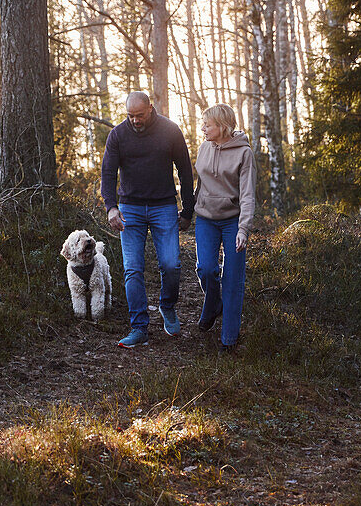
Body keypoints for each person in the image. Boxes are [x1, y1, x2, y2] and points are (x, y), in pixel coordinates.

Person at [101, 91, 194, 348]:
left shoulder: (170, 131)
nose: (134, 121)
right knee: (133, 268)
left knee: (171, 264)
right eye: (130, 116)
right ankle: (139, 327)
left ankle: (167, 306)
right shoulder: (118, 135)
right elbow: (107, 173)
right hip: (129, 208)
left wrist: (187, 211)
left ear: (150, 109)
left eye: (139, 115)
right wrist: (111, 208)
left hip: (163, 206)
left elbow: (185, 171)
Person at [194, 104, 256, 354]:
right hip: (206, 219)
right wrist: (188, 212)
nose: (203, 128)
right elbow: (200, 184)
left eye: (207, 125)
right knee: (206, 269)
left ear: (222, 126)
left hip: (233, 220)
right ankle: (213, 304)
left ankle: (228, 339)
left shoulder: (244, 153)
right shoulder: (203, 147)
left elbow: (248, 194)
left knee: (233, 279)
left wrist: (244, 229)